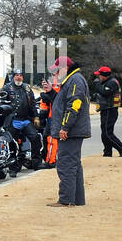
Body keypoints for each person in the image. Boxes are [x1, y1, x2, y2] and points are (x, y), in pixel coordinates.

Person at [47, 56, 90, 207]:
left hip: (71, 131)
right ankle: (77, 199)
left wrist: (65, 127)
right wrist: (51, 92)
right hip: (73, 130)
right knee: (74, 164)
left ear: (65, 68)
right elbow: (64, 102)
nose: (56, 74)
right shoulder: (72, 80)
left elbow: (74, 105)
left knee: (66, 164)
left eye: (57, 70)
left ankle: (66, 200)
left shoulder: (75, 80)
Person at [0, 71, 41, 167]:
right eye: (17, 75)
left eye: (21, 75)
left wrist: (36, 117)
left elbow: (33, 104)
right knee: (12, 142)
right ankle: (14, 167)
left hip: (26, 120)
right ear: (13, 77)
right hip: (13, 120)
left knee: (35, 137)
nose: (19, 77)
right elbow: (1, 102)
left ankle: (36, 162)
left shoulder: (27, 88)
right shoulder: (6, 88)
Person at [94, 66, 122, 157]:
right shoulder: (106, 82)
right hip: (105, 109)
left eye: (100, 75)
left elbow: (105, 92)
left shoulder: (112, 82)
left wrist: (97, 84)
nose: (99, 77)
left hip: (110, 110)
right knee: (104, 133)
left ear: (104, 75)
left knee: (107, 133)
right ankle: (107, 152)